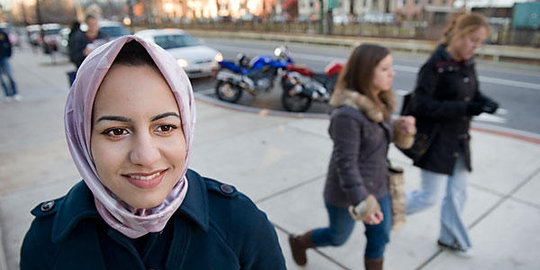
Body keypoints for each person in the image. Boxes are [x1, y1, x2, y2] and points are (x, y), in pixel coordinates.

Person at [20, 36, 286, 269]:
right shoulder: (47, 240)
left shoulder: (241, 224)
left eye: (165, 127)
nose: (146, 157)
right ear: (82, 138)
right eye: (116, 131)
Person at [288, 44, 416, 270]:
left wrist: (400, 128)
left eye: (391, 68)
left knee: (380, 237)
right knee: (338, 238)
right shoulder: (347, 116)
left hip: (379, 185)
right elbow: (345, 165)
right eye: (385, 69)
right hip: (348, 194)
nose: (392, 73)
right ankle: (299, 242)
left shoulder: (380, 100)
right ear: (366, 72)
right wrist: (362, 203)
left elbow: (375, 138)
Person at [403, 13, 499, 256]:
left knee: (457, 193)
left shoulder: (467, 63)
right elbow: (420, 105)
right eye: (472, 40)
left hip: (459, 140)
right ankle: (386, 210)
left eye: (480, 42)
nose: (475, 46)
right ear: (458, 34)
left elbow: (471, 94)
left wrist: (483, 102)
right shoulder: (435, 65)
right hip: (437, 142)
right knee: (428, 197)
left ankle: (450, 238)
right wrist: (464, 108)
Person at [0, 28, 20, 102]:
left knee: (9, 75)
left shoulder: (2, 33)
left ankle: (15, 93)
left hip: (4, 57)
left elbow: (8, 44)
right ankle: (7, 94)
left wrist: (8, 54)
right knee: (1, 79)